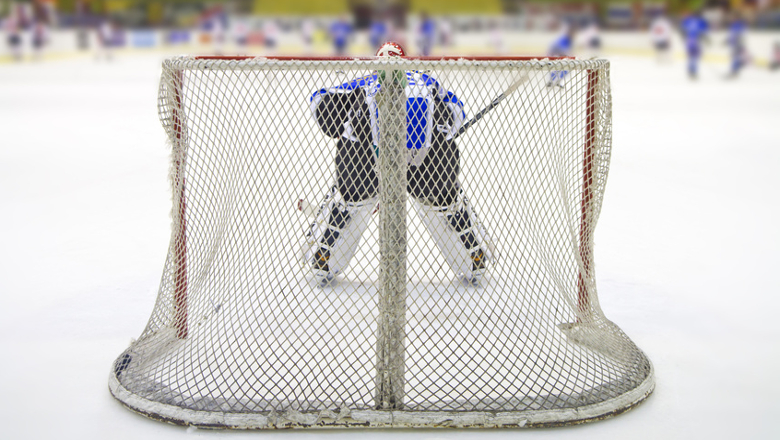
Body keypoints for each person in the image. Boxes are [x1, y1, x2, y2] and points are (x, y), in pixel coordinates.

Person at [305, 42, 491, 286]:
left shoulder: (364, 81)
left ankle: (323, 258)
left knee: (353, 199)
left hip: (364, 159)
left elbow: (320, 103)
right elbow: (457, 113)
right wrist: (441, 129)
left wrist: (345, 124)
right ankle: (473, 259)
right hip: (428, 161)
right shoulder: (425, 80)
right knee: (442, 199)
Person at [680, 10, 709, 79]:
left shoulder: (688, 20)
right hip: (696, 41)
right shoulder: (701, 21)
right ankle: (693, 71)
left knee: (691, 56)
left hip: (689, 41)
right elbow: (704, 31)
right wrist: (707, 39)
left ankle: (690, 70)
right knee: (695, 56)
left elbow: (682, 29)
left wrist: (684, 36)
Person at [546, 23, 574, 88]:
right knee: (558, 67)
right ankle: (552, 81)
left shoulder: (569, 39)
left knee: (565, 69)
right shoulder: (564, 39)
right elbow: (559, 48)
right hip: (555, 55)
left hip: (558, 55)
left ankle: (556, 81)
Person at [724, 13, 748, 78]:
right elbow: (733, 35)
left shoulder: (738, 24)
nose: (731, 19)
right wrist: (728, 40)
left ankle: (734, 71)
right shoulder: (735, 24)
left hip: (737, 43)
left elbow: (737, 34)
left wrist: (730, 40)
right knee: (735, 57)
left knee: (735, 57)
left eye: (733, 17)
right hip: (736, 43)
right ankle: (735, 70)